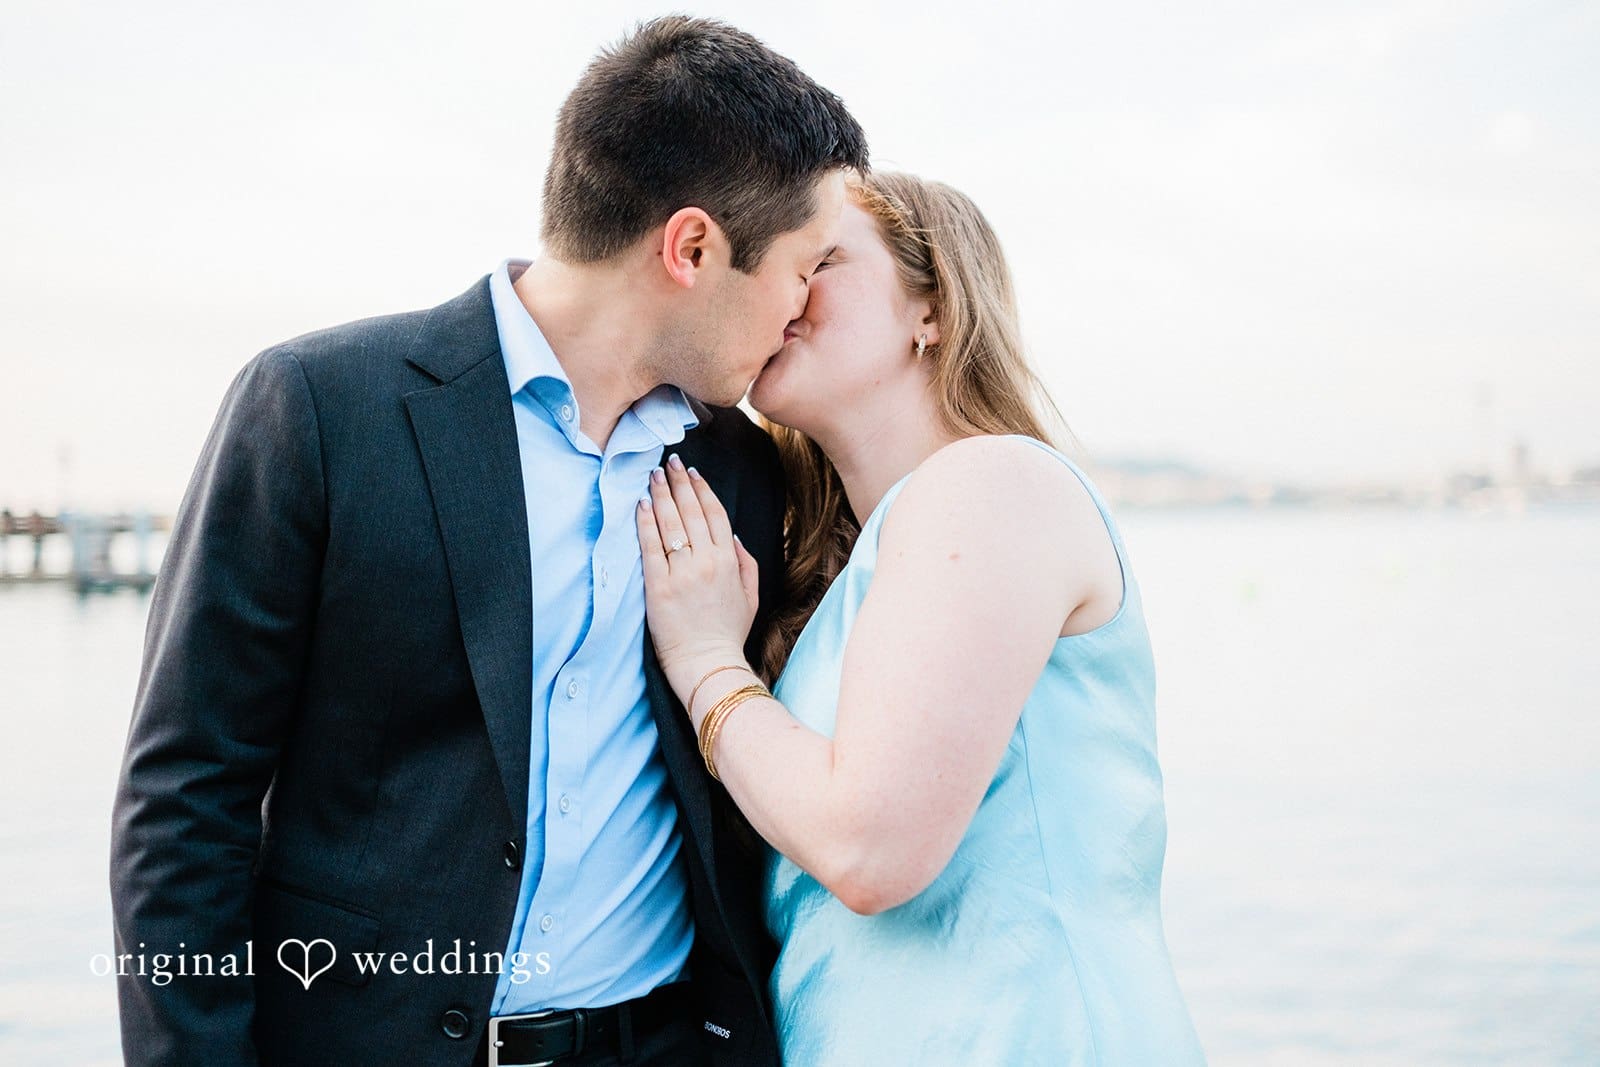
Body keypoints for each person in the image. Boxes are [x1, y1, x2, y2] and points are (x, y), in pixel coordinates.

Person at [109, 17, 866, 1066]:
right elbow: (186, 800)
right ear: (692, 248)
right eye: (802, 267)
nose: (803, 309)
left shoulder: (741, 467)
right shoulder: (320, 408)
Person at [635, 171, 1208, 1064]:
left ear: (931, 311)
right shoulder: (859, 566)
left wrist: (708, 662)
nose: (788, 289)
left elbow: (870, 848)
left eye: (821, 261)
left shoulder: (992, 484)